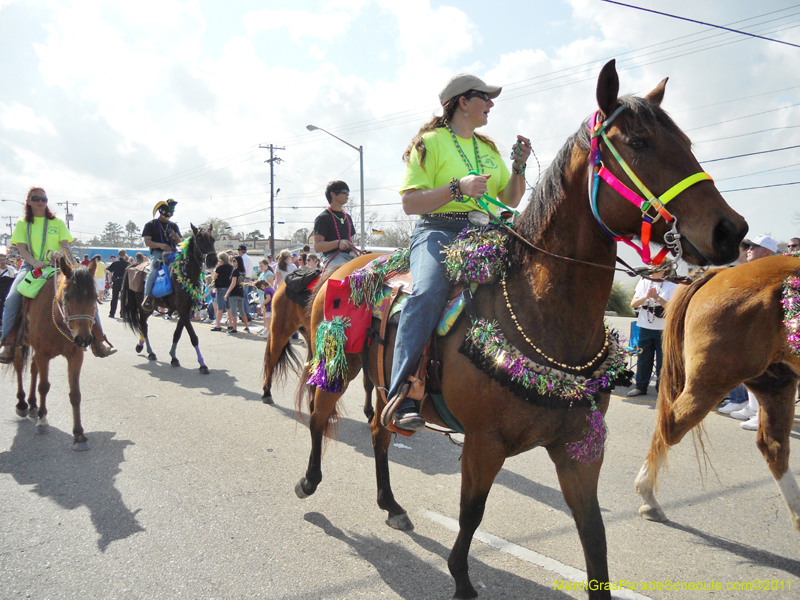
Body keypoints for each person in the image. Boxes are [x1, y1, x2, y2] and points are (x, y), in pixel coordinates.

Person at [387, 73, 530, 432]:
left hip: (488, 231)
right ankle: (401, 394)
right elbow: (409, 203)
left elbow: (509, 201)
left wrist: (517, 167)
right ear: (463, 102)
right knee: (427, 291)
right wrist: (457, 187)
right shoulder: (429, 143)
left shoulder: (489, 149)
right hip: (439, 230)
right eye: (485, 97)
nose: (491, 104)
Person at [0, 187, 115, 362]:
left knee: (86, 294)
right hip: (31, 267)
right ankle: (8, 343)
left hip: (57, 266)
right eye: (36, 199)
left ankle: (98, 341)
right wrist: (34, 262)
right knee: (12, 298)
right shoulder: (23, 224)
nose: (40, 202)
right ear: (29, 201)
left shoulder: (58, 222)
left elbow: (65, 245)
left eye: (44, 199)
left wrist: (61, 253)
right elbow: (21, 248)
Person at [728, 235, 778, 431]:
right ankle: (752, 408)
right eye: (748, 247)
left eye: (754, 247)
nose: (748, 250)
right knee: (750, 372)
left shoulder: (772, 270)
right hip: (749, 330)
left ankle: (763, 416)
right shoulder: (752, 270)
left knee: (763, 374)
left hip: (765, 332)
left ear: (766, 252)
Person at [627, 274, 678, 397]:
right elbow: (633, 303)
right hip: (645, 326)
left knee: (663, 361)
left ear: (663, 270)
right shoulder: (644, 281)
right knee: (643, 358)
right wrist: (646, 297)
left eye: (654, 266)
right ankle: (640, 387)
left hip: (663, 329)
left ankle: (662, 390)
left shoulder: (672, 283)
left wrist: (657, 297)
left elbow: (672, 307)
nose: (650, 269)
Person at [141, 199, 181, 311]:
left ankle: (191, 296)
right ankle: (147, 296)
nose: (168, 217)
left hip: (173, 252)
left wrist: (176, 238)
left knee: (186, 266)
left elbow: (180, 243)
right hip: (158, 253)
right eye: (166, 214)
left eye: (170, 215)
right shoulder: (150, 225)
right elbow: (147, 242)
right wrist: (161, 245)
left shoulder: (173, 226)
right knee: (154, 269)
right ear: (161, 211)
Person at [312, 180, 358, 272]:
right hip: (332, 259)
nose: (347, 195)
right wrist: (338, 243)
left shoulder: (347, 217)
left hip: (349, 257)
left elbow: (351, 241)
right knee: (338, 275)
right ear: (332, 194)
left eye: (348, 192)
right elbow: (317, 246)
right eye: (344, 192)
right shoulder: (323, 218)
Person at [225, 255, 250, 334]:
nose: (233, 262)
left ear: (238, 262)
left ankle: (234, 328)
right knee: (242, 311)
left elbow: (233, 283)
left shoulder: (235, 271)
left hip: (234, 293)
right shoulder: (243, 272)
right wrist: (241, 291)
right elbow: (243, 284)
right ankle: (246, 326)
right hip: (240, 293)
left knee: (234, 311)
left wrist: (227, 293)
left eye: (234, 261)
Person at [210, 252, 233, 332]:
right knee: (229, 307)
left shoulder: (219, 268)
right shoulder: (231, 267)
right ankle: (231, 324)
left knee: (220, 308)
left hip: (220, 288)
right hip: (229, 288)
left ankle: (218, 325)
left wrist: (213, 273)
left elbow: (214, 277)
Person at [106, 250, 129, 319]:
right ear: (125, 255)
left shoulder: (115, 263)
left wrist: (110, 282)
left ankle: (112, 313)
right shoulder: (128, 264)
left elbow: (110, 272)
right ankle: (123, 313)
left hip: (116, 281)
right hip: (124, 282)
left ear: (118, 255)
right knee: (124, 298)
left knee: (114, 298)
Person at [0, 253, 18, 319]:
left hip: (8, 289)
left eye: (3, 260)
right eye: (0, 260)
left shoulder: (11, 269)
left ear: (6, 260)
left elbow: (16, 276)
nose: (2, 261)